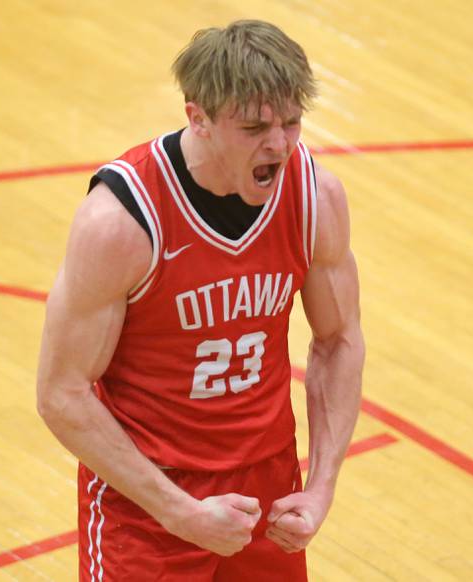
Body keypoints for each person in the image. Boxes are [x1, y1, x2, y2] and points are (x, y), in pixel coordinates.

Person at [36, 19, 364, 581]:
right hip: (147, 495)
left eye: (291, 122)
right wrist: (177, 511)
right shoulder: (122, 222)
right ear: (198, 119)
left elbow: (338, 341)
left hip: (267, 489)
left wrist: (321, 487)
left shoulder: (315, 198)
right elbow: (61, 394)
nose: (280, 144)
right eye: (254, 127)